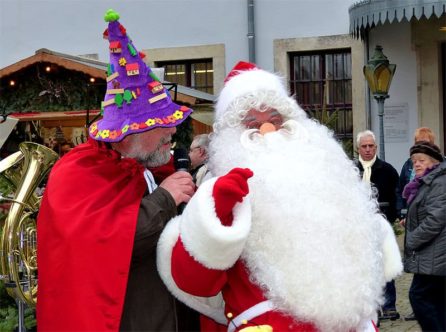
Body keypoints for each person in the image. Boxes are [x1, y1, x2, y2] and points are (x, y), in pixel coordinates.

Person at [156, 61, 403, 331]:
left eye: (276, 120)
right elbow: (194, 282)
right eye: (252, 125)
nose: (267, 132)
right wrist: (218, 213)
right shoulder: (217, 194)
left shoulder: (327, 179)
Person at [36, 9, 197, 331]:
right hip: (122, 317)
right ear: (133, 131)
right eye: (162, 126)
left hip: (157, 308)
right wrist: (165, 198)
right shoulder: (80, 169)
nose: (172, 134)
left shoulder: (139, 162)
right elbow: (105, 240)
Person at [353, 130, 400, 321]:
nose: (367, 149)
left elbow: (396, 196)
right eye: (364, 146)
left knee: (386, 263)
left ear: (376, 147)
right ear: (358, 148)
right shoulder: (351, 169)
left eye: (370, 146)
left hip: (382, 225)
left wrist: (391, 217)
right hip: (357, 227)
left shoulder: (387, 170)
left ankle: (389, 305)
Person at [402, 141, 446, 332]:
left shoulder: (439, 182)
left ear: (434, 162)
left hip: (435, 254)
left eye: (421, 160)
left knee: (419, 296)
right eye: (414, 161)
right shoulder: (427, 182)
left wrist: (411, 240)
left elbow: (436, 219)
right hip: (432, 253)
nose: (416, 164)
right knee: (437, 301)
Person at [396, 127, 436, 220]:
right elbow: (399, 189)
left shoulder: (439, 164)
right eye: (419, 143)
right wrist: (401, 213)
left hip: (431, 217)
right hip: (410, 216)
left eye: (425, 143)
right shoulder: (409, 163)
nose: (422, 146)